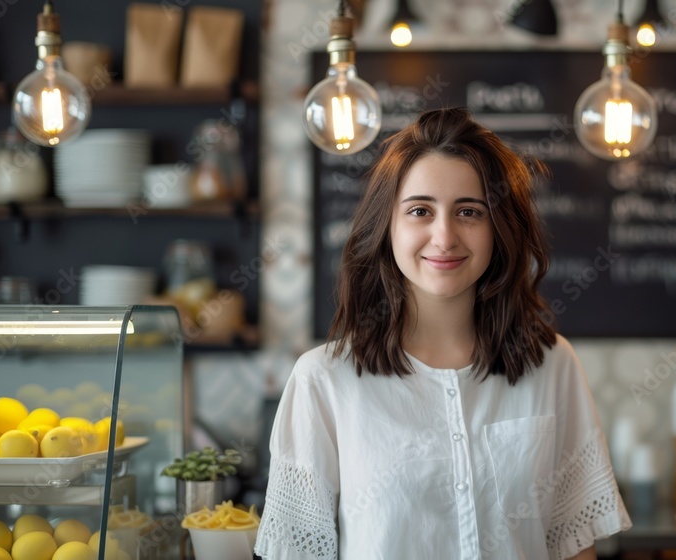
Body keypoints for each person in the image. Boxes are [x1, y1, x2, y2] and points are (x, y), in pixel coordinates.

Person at [255, 108, 630, 560]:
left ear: (499, 229)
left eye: (469, 211)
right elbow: (297, 552)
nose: (445, 236)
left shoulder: (552, 363)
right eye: (419, 211)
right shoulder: (322, 380)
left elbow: (574, 545)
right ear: (387, 226)